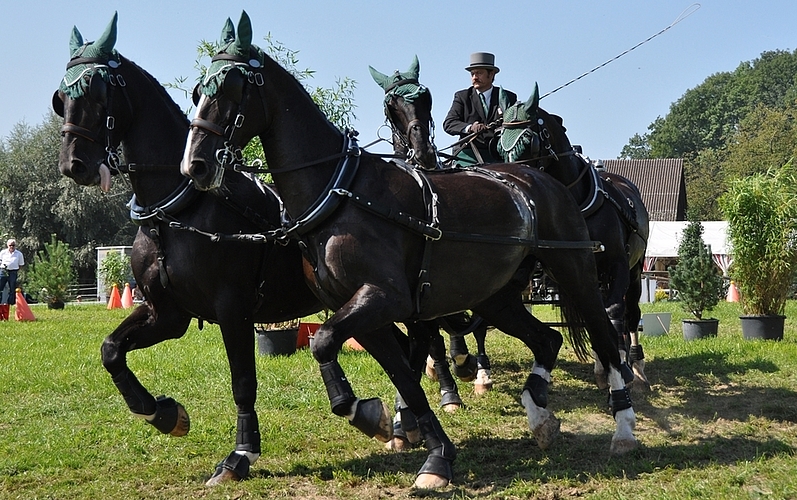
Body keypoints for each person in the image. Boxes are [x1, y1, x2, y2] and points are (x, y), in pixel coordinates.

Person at [443, 52, 517, 166]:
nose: (475, 77)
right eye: (472, 74)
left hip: (498, 155)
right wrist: (470, 128)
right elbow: (449, 123)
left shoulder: (508, 97)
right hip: (468, 154)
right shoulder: (462, 97)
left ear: (491, 74)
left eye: (479, 73)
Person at [0, 238, 25, 305]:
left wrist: (15, 269)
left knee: (12, 287)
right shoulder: (3, 252)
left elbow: (21, 265)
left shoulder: (19, 254)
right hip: (3, 271)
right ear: (7, 245)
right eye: (10, 245)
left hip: (13, 272)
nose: (12, 247)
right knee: (0, 286)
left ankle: (11, 302)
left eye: (13, 245)